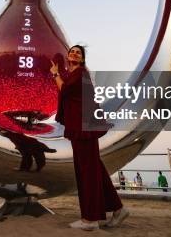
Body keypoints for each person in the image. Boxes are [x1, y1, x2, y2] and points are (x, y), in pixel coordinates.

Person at [51, 45, 128, 231]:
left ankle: (90, 219)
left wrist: (55, 74)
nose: (74, 53)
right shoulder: (76, 75)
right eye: (72, 51)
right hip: (82, 128)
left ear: (82, 59)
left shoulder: (79, 74)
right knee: (95, 170)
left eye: (78, 52)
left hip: (82, 129)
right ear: (68, 57)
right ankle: (118, 209)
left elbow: (64, 90)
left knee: (87, 173)